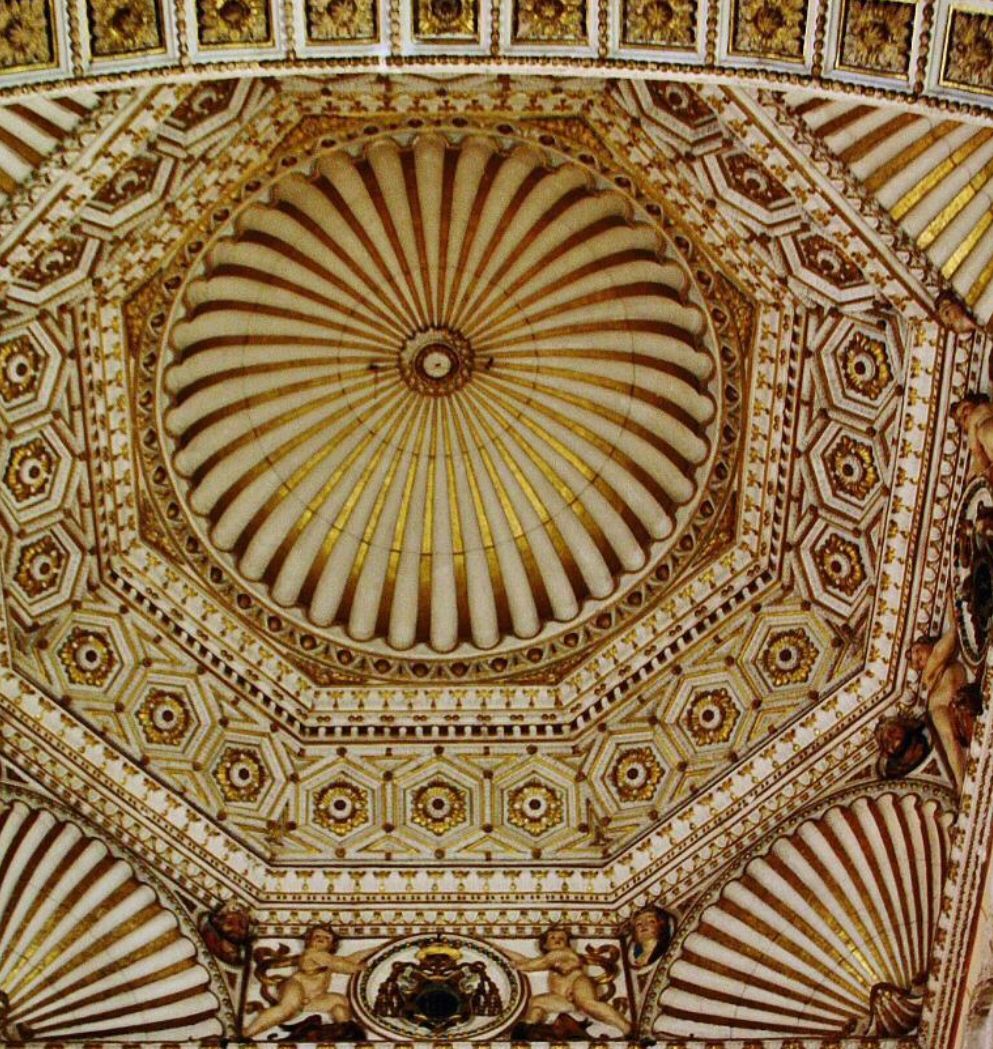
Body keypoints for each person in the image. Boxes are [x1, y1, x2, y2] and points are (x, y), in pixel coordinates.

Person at [244, 924, 372, 1038]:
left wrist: (375, 951)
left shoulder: (328, 958)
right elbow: (342, 965)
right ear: (309, 941)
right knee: (287, 1008)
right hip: (297, 987)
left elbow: (349, 959)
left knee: (340, 1002)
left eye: (327, 938)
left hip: (314, 998)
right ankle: (248, 1032)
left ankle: (343, 1031)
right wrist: (358, 968)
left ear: (332, 945)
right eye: (317, 936)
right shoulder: (312, 953)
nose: (321, 938)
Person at [502, 927, 631, 1036]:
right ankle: (526, 1032)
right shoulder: (550, 958)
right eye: (552, 937)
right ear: (545, 945)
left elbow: (532, 965)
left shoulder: (563, 953)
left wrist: (518, 966)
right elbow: (526, 960)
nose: (557, 939)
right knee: (536, 1003)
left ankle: (626, 1027)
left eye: (562, 938)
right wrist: (499, 950)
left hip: (577, 984)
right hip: (562, 998)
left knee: (588, 1003)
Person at [908, 611, 978, 790]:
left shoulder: (949, 659)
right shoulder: (930, 670)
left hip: (958, 700)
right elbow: (950, 638)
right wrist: (952, 612)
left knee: (951, 739)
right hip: (938, 704)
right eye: (916, 663)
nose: (918, 660)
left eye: (917, 651)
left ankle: (961, 783)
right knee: (949, 739)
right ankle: (962, 783)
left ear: (927, 642)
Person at [952, 393, 993, 480]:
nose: (963, 416)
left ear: (976, 402)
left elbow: (975, 449)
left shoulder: (981, 409)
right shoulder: (978, 432)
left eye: (965, 408)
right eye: (960, 420)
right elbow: (982, 460)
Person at [627, 904, 672, 969]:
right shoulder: (636, 955)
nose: (644, 925)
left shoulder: (662, 949)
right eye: (638, 924)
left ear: (661, 927)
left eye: (651, 921)